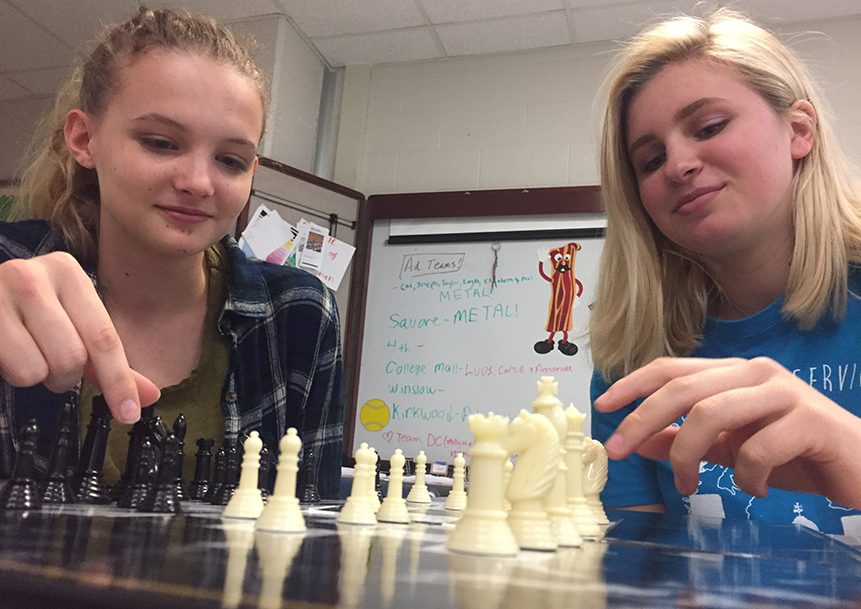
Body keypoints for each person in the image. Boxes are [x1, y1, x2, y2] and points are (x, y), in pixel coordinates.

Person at [0, 7, 344, 498]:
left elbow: (317, 531)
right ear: (83, 139)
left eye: (230, 160)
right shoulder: (8, 267)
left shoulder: (301, 315)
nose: (199, 183)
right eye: (161, 143)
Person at [589, 8, 861, 534]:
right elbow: (641, 572)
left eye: (709, 127)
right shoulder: (633, 357)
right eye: (649, 161)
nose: (678, 164)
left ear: (798, 131)